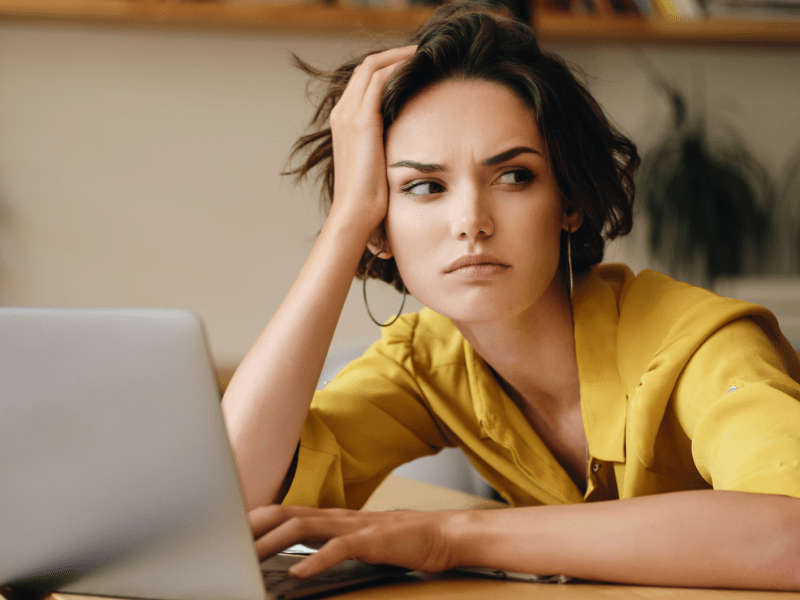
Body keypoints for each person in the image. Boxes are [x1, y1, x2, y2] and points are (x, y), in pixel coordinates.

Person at [221, 1, 800, 590]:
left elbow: (791, 537)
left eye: (514, 176)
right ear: (381, 228)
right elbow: (230, 499)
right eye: (424, 186)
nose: (471, 221)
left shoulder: (701, 346)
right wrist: (346, 224)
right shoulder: (428, 363)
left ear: (569, 201)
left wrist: (453, 536)